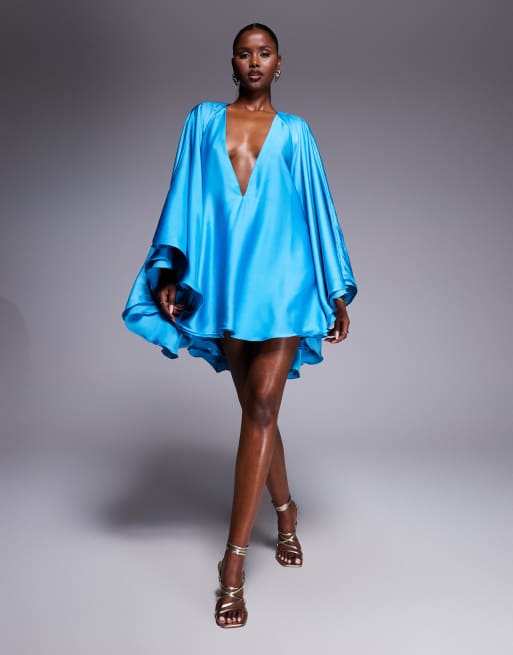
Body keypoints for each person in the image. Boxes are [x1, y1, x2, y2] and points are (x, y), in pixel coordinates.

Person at [122, 23, 357, 628]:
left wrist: (335, 290)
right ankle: (286, 512)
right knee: (259, 410)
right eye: (245, 53)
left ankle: (232, 565)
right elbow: (183, 196)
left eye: (265, 52)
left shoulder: (296, 132)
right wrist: (171, 270)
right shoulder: (202, 121)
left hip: (285, 285)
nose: (255, 61)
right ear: (233, 63)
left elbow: (319, 209)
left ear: (280, 63)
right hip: (228, 285)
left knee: (261, 406)